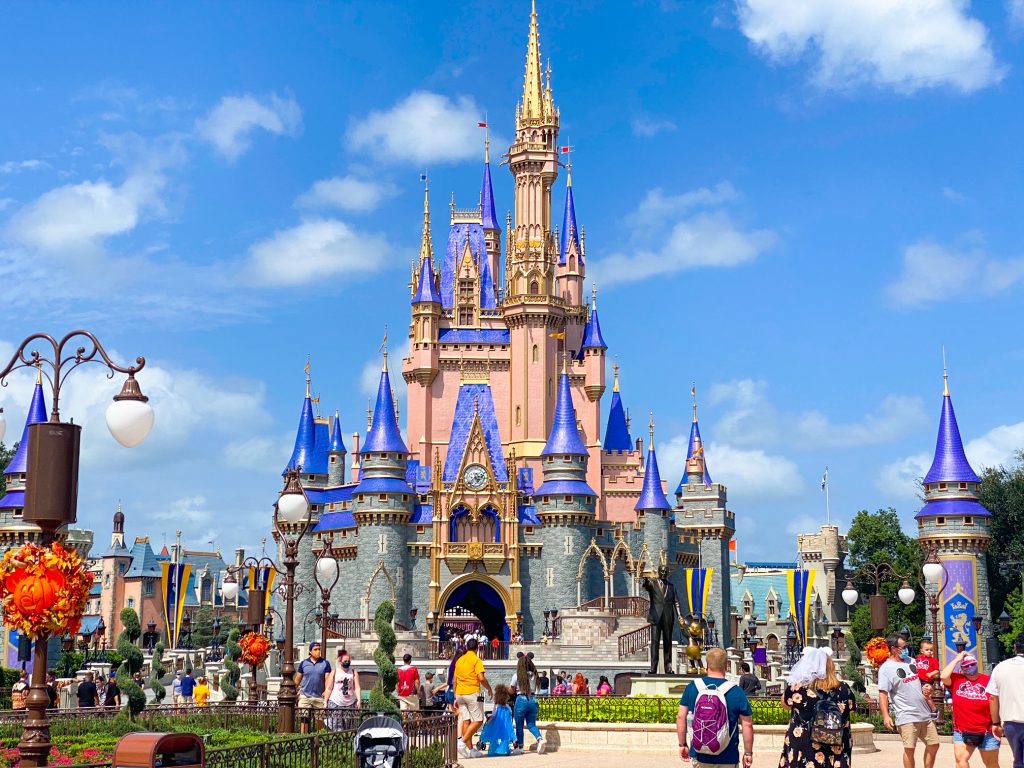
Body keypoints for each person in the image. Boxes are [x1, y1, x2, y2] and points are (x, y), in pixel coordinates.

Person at [779, 646, 855, 768]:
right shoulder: (844, 689)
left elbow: (784, 704)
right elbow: (850, 709)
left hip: (805, 745)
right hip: (835, 745)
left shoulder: (798, 688)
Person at [677, 647, 754, 768]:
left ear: (707, 664)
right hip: (728, 756)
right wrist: (748, 752)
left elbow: (681, 717)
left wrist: (682, 745)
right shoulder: (736, 691)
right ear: (726, 666)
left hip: (699, 754)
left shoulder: (692, 687)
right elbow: (747, 724)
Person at [877, 634, 939, 768]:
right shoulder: (886, 669)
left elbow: (924, 681)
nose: (906, 649)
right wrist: (886, 715)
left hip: (924, 713)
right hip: (906, 715)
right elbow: (883, 693)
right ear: (894, 648)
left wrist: (930, 687)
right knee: (910, 749)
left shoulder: (912, 661)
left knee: (934, 745)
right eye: (903, 647)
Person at [941, 651, 998, 767]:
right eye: (966, 666)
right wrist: (957, 659)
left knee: (992, 764)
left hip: (986, 730)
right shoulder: (957, 679)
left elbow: (997, 701)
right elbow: (943, 676)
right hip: (962, 730)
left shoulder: (988, 680)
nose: (970, 667)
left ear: (977, 664)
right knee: (961, 761)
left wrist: (999, 722)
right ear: (961, 668)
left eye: (972, 664)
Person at [988, 633, 1024, 767]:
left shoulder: (1001, 667)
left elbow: (992, 697)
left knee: (1018, 761)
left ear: (1015, 647)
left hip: (1011, 724)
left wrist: (996, 722)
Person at [454, 637, 494, 758]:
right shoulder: (476, 660)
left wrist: (455, 696)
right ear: (477, 649)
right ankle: (461, 742)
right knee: (478, 720)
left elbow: (454, 680)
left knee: (467, 720)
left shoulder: (459, 660)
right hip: (471, 693)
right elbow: (481, 678)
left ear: (466, 647)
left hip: (459, 693)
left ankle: (470, 750)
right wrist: (489, 688)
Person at [642, 565, 684, 674]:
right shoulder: (653, 583)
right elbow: (646, 586)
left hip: (668, 616)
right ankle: (653, 667)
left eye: (666, 571)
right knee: (655, 642)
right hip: (656, 616)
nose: (664, 573)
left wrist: (679, 614)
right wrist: (646, 580)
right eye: (662, 571)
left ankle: (668, 667)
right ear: (659, 572)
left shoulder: (671, 586)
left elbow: (677, 602)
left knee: (668, 642)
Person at [513, 652, 546, 753]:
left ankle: (520, 747)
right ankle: (540, 739)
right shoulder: (534, 675)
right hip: (533, 699)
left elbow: (512, 689)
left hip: (521, 699)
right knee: (531, 724)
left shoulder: (516, 675)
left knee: (519, 725)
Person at [296, 641, 331, 732]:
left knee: (320, 720)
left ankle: (319, 739)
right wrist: (293, 690)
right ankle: (303, 738)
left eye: (319, 649)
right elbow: (298, 678)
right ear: (310, 651)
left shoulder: (325, 663)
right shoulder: (304, 663)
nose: (318, 651)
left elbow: (327, 679)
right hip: (305, 695)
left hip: (319, 696)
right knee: (304, 719)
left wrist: (326, 691)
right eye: (315, 650)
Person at [324, 648, 361, 730]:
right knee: (336, 727)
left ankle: (347, 742)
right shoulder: (334, 672)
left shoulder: (354, 672)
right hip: (336, 702)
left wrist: (359, 700)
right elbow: (329, 688)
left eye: (348, 661)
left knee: (348, 727)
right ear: (340, 661)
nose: (347, 662)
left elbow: (357, 687)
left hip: (349, 703)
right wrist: (325, 701)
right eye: (345, 661)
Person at [478, 685, 516, 756]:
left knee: (494, 738)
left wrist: (488, 722)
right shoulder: (508, 708)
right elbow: (510, 716)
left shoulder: (497, 706)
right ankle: (505, 750)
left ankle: (494, 750)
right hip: (505, 728)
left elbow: (493, 715)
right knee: (505, 738)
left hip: (496, 726)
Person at [916, 640, 941, 714]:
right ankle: (922, 710)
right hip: (918, 679)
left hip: (926, 680)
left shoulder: (933, 660)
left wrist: (931, 674)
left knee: (926, 695)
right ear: (921, 650)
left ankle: (934, 709)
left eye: (931, 650)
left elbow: (937, 670)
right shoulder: (918, 659)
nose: (929, 651)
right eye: (927, 650)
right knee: (918, 695)